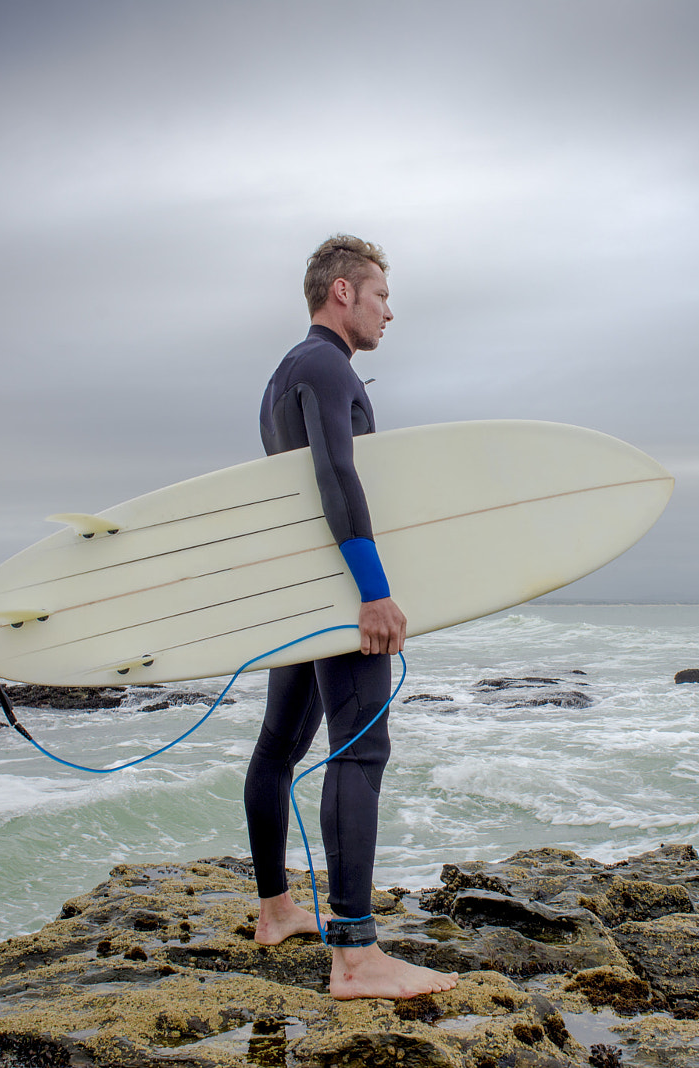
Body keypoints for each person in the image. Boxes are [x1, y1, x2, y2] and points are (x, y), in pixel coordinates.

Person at [243, 235, 457, 1000]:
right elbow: (337, 475)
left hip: (302, 589)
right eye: (380, 296)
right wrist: (372, 588)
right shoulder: (327, 367)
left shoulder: (283, 376)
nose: (388, 312)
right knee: (360, 752)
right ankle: (356, 957)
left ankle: (275, 911)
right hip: (338, 588)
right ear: (342, 292)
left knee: (279, 745)